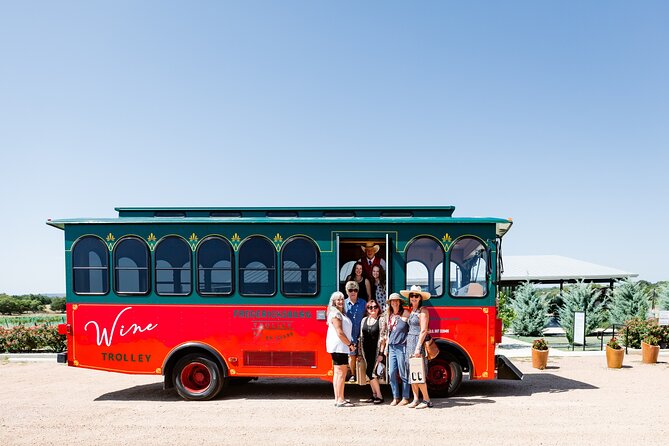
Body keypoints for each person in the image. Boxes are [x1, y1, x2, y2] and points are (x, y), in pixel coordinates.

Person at [401, 285, 433, 409]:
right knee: (412, 372)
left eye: (416, 296)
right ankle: (415, 399)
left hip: (417, 342)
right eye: (412, 296)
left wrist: (418, 348)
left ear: (420, 298)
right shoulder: (411, 311)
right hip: (410, 341)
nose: (413, 298)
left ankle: (426, 400)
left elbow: (424, 330)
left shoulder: (423, 311)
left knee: (419, 372)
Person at [326, 291, 357, 407]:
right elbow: (339, 332)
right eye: (338, 299)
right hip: (339, 347)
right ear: (333, 301)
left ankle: (338, 398)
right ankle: (340, 400)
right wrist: (350, 344)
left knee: (338, 373)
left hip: (340, 347)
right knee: (341, 373)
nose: (340, 301)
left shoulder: (339, 313)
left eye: (342, 299)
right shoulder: (336, 314)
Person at [358, 299, 387, 404]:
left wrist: (381, 354)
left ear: (378, 308)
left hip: (376, 351)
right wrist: (360, 353)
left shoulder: (381, 320)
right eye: (370, 307)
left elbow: (384, 337)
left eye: (375, 307)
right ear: (367, 309)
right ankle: (374, 395)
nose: (373, 309)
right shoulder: (364, 320)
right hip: (366, 352)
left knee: (372, 372)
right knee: (368, 372)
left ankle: (379, 396)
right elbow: (361, 337)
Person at [385, 292, 411, 406]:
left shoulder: (405, 313)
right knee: (391, 373)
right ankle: (396, 397)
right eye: (392, 301)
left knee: (403, 372)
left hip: (402, 346)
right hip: (391, 347)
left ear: (400, 302)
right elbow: (388, 333)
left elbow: (412, 329)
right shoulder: (389, 315)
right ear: (390, 303)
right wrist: (386, 347)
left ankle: (405, 397)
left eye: (396, 300)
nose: (394, 302)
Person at [344, 280, 367, 383]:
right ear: (347, 292)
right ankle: (353, 374)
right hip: (349, 334)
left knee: (362, 355)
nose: (353, 292)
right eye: (350, 290)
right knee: (352, 355)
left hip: (361, 333)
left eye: (355, 290)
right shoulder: (344, 303)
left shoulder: (363, 303)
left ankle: (363, 374)